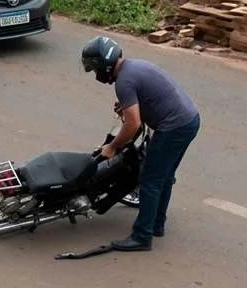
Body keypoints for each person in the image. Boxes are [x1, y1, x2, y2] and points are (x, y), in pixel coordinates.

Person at [81, 35, 201, 252]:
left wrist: (112, 147)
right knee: (164, 177)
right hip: (189, 120)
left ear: (103, 64)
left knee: (150, 180)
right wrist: (128, 107)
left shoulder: (124, 82)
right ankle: (157, 224)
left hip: (174, 127)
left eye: (94, 69)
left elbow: (133, 124)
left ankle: (142, 236)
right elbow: (149, 101)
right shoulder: (133, 67)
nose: (95, 74)